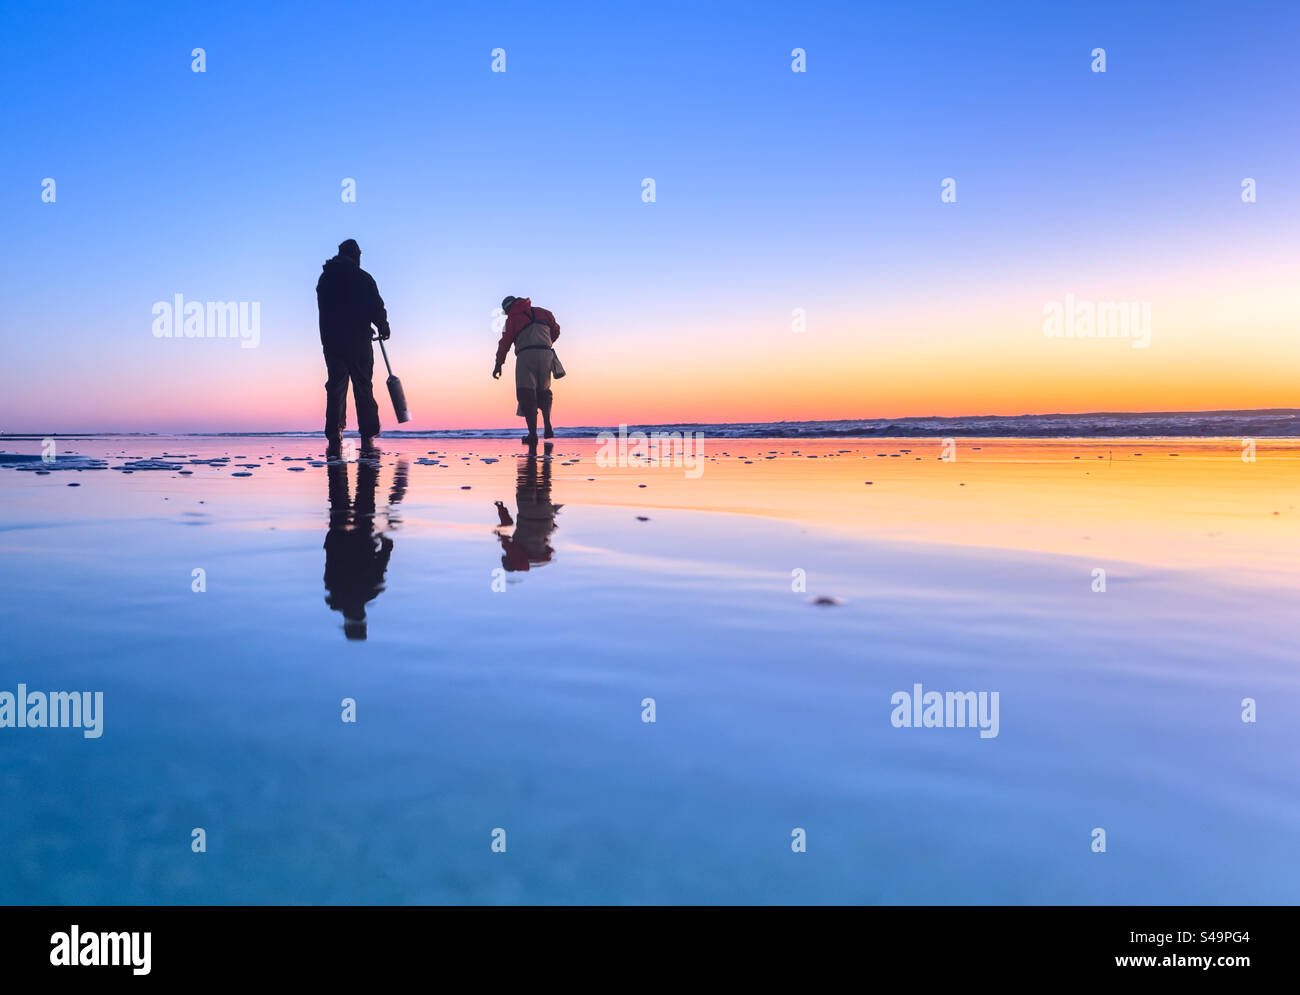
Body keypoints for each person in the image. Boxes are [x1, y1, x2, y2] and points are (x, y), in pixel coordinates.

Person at [317, 239, 391, 459]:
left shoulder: (325, 278)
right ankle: (368, 435)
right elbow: (376, 306)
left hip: (332, 343)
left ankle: (334, 434)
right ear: (356, 255)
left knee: (336, 387)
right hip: (358, 341)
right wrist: (383, 325)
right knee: (363, 387)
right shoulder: (363, 278)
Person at [492, 295, 560, 446]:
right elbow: (556, 331)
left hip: (525, 355)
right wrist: (544, 343)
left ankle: (533, 434)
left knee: (526, 394)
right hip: (546, 353)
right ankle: (547, 424)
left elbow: (505, 342)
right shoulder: (544, 312)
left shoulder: (511, 319)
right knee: (544, 391)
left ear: (507, 308)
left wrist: (498, 364)